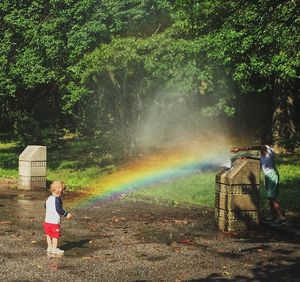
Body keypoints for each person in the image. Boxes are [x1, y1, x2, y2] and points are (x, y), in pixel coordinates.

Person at [231, 134, 286, 226]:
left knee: (272, 197)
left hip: (271, 175)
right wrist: (249, 157)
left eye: (261, 140)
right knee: (270, 197)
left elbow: (254, 147)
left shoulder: (264, 148)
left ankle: (282, 218)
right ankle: (274, 217)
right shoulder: (267, 151)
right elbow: (261, 160)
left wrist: (239, 149)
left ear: (263, 141)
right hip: (269, 175)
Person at [43, 180, 73, 254]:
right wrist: (66, 214)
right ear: (59, 191)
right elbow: (58, 209)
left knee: (48, 235)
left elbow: (45, 205)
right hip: (54, 222)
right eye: (62, 191)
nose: (63, 193)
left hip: (47, 221)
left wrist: (50, 211)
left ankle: (49, 247)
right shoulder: (57, 199)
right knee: (55, 236)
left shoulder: (49, 198)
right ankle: (54, 249)